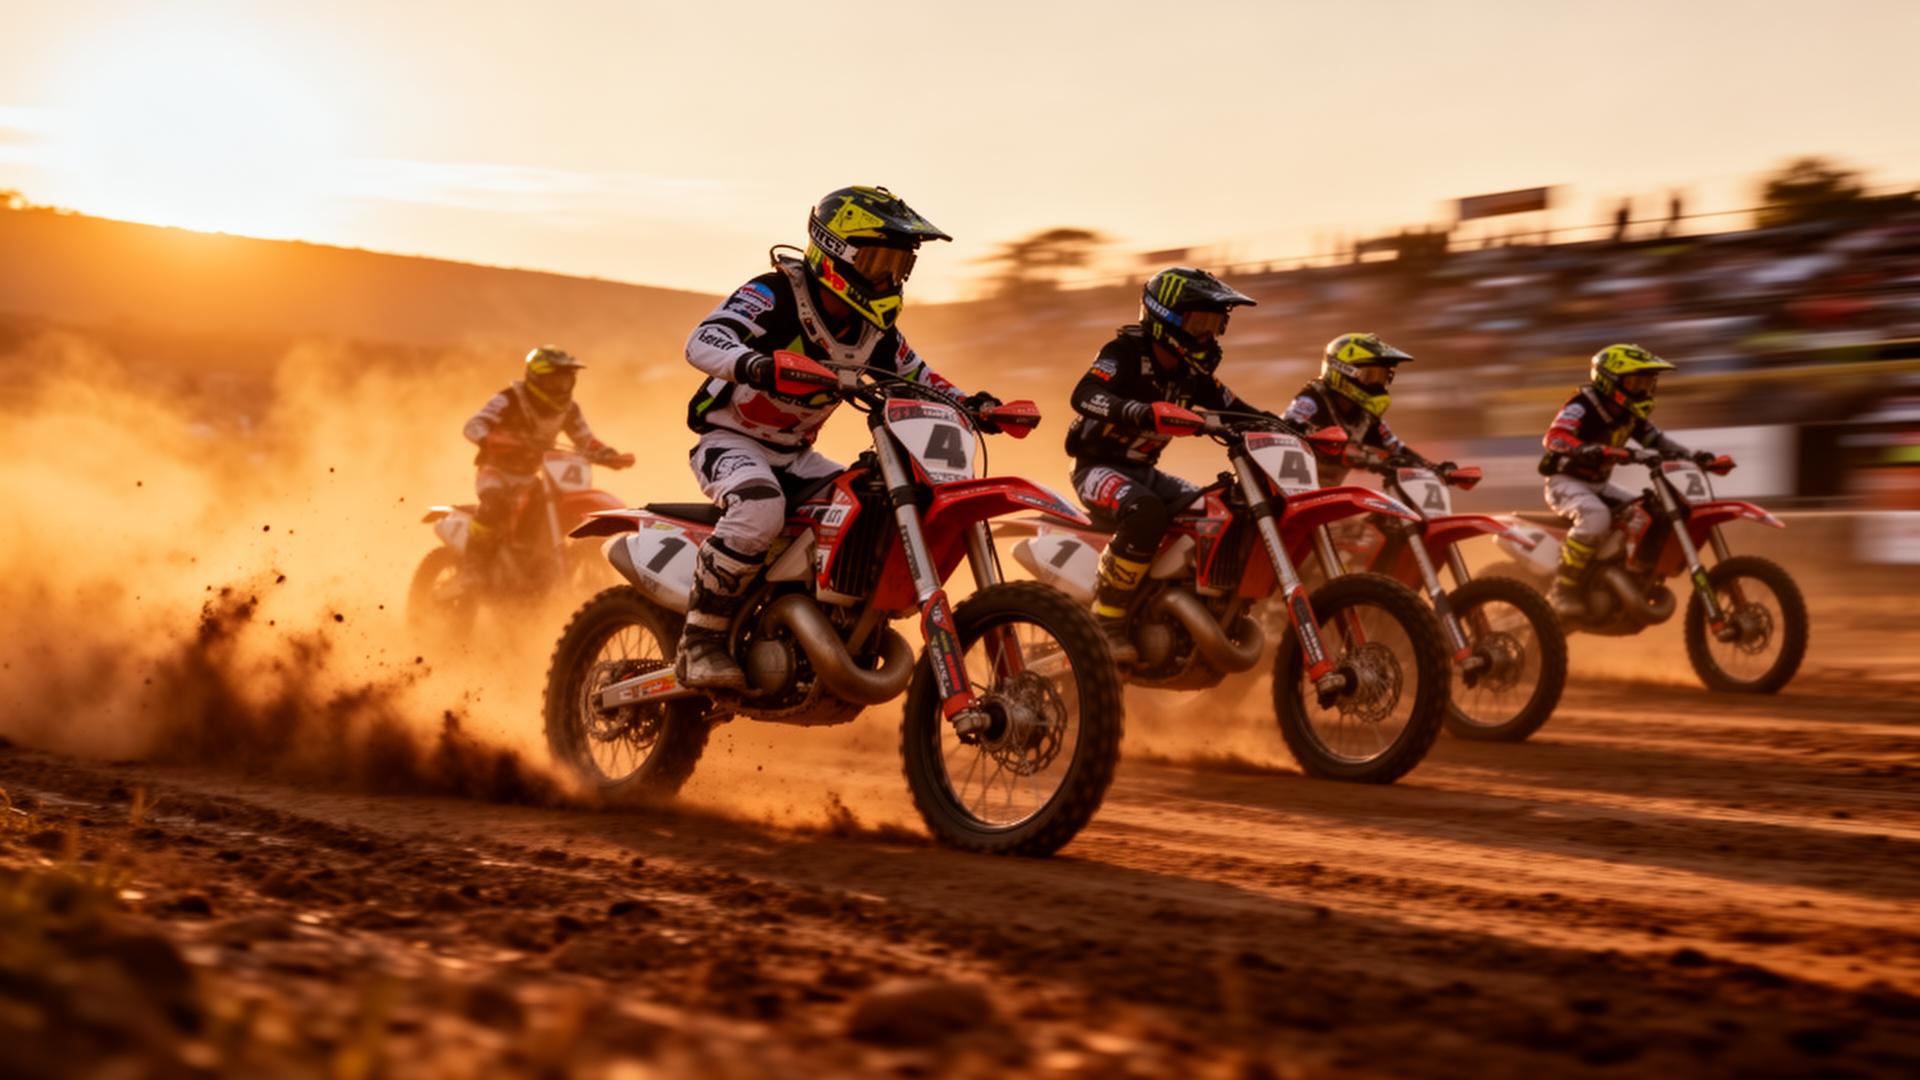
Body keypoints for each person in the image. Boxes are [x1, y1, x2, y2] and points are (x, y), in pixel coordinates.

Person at [675, 185, 1000, 689]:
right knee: (759, 509)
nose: (890, 278)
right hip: (730, 443)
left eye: (900, 267)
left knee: (869, 505)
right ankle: (701, 639)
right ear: (835, 253)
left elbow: (921, 379)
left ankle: (838, 621)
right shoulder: (776, 293)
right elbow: (704, 339)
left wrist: (976, 405)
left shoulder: (877, 332)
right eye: (878, 262)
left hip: (797, 456)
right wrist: (755, 364)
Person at [1064, 266, 1269, 661]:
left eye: (1216, 324)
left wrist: (1288, 430)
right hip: (1096, 469)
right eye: (1199, 323)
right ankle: (1107, 620)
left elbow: (1240, 410)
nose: (1208, 336)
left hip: (1145, 472)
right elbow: (1083, 393)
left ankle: (1185, 605)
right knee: (1146, 513)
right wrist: (1139, 412)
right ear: (1165, 317)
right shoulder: (1124, 352)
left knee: (1215, 511)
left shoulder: (1194, 375)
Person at [1538, 344, 1728, 618]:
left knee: (1647, 513)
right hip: (1566, 482)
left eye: (1647, 383)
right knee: (1596, 517)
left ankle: (1626, 572)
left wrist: (1696, 458)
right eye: (1635, 382)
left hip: (1600, 485)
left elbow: (1660, 442)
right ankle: (1562, 588)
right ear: (1610, 380)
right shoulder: (1583, 404)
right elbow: (1554, 437)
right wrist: (1583, 448)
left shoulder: (1631, 413)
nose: (1642, 389)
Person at [462, 346, 634, 585]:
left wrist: (609, 455)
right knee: (494, 506)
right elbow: (473, 425)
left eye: (566, 380)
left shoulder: (569, 409)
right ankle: (472, 567)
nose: (561, 387)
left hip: (531, 478)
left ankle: (536, 562)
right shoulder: (510, 398)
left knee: (546, 509)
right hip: (496, 472)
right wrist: (491, 438)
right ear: (536, 378)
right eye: (554, 380)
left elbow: (585, 440)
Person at [1282, 333, 1441, 486]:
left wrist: (1435, 470)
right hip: (1284, 488)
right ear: (1342, 370)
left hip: (1324, 496)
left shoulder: (1366, 417)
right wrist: (1333, 446)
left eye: (1383, 377)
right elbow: (1288, 427)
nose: (1377, 384)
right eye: (1370, 376)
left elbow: (1396, 449)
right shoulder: (1313, 399)